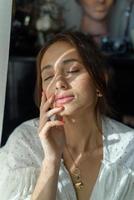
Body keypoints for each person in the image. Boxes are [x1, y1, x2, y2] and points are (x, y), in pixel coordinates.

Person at [0, 31, 134, 200]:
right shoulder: (24, 143)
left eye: (72, 70)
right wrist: (51, 160)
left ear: (100, 80)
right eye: (48, 77)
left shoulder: (129, 148)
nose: (58, 83)